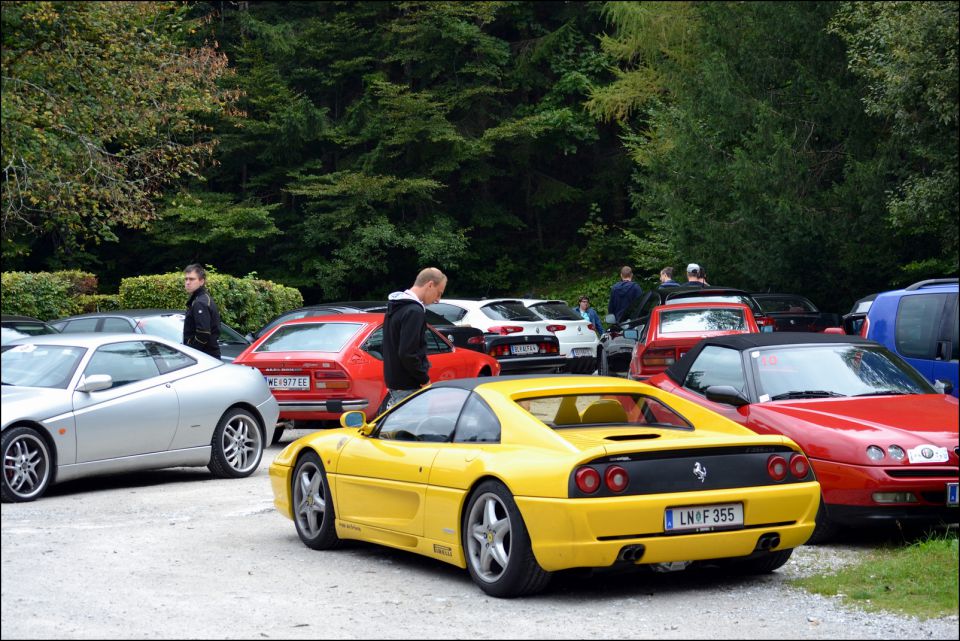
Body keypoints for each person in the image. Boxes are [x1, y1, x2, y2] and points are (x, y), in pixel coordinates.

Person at [380, 267, 447, 412]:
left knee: (397, 429)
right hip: (409, 385)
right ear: (430, 285)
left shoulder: (395, 306)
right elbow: (408, 352)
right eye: (438, 293)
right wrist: (424, 379)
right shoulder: (414, 311)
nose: (437, 300)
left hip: (395, 383)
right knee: (412, 432)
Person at [182, 263, 222, 359]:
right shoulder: (201, 298)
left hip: (205, 357)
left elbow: (203, 333)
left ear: (201, 281)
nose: (187, 282)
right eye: (186, 279)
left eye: (191, 279)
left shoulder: (200, 302)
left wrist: (191, 352)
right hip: (207, 355)